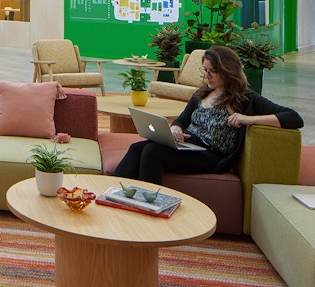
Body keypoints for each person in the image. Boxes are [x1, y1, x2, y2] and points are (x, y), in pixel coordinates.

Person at [113, 45, 303, 184]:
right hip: (188, 147)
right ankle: (113, 192)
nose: (207, 76)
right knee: (137, 148)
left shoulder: (245, 99)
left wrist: (249, 119)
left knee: (152, 151)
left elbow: (293, 118)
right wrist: (176, 128)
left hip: (210, 156)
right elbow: (181, 120)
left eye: (213, 71)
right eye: (206, 70)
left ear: (228, 71)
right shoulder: (201, 93)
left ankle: (147, 203)